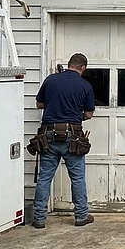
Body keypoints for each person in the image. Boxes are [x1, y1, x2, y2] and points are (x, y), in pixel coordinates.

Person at [32, 53, 95, 229]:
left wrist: (55, 105)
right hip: (72, 136)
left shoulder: (51, 80)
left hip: (49, 135)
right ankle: (81, 216)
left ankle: (39, 219)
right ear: (83, 67)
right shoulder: (85, 85)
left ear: (69, 64)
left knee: (44, 177)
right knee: (77, 178)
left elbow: (39, 104)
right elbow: (89, 114)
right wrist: (75, 113)